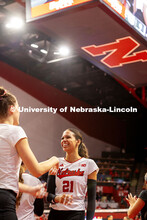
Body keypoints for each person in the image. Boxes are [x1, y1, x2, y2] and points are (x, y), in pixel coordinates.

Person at [0, 87, 59, 220]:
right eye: (19, 107)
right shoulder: (15, 131)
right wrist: (54, 159)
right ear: (12, 109)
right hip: (4, 201)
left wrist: (29, 190)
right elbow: (36, 170)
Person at [47, 128, 99, 220]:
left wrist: (89, 218)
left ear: (78, 141)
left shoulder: (89, 164)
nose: (64, 140)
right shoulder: (56, 162)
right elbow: (48, 196)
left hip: (76, 213)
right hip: (55, 213)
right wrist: (57, 197)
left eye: (68, 137)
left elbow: (91, 199)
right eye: (62, 138)